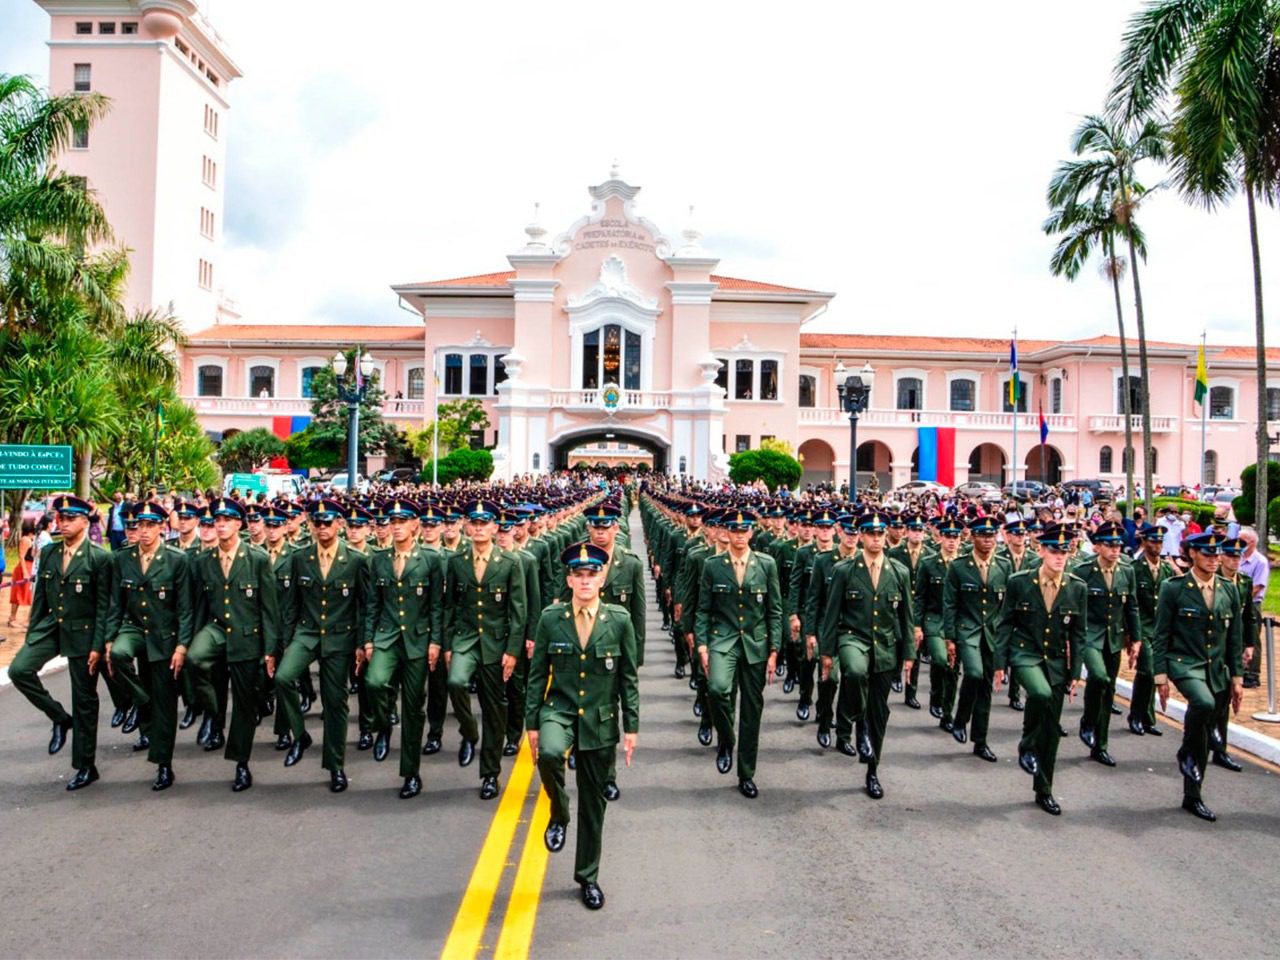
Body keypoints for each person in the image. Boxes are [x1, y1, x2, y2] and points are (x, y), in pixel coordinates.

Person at [528, 542, 639, 911]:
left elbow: (628, 678)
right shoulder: (551, 618)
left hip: (599, 717)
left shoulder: (619, 621)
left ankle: (588, 877)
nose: (586, 580)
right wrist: (532, 723)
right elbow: (536, 675)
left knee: (593, 804)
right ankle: (559, 811)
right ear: (570, 580)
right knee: (548, 754)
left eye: (592, 574)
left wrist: (631, 727)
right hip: (559, 709)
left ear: (602, 579)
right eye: (579, 574)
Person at [7, 496, 113, 790]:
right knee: (19, 670)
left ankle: (85, 765)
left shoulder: (99, 558)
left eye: (70, 518)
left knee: (84, 699)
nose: (63, 523)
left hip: (84, 631)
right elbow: (41, 596)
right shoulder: (50, 552)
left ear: (85, 522)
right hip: (52, 626)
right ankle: (59, 717)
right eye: (60, 518)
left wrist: (98, 645)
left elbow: (103, 607)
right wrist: (32, 635)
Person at [182, 498, 280, 792]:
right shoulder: (204, 561)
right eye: (217, 520)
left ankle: (241, 763)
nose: (221, 525)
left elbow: (269, 608)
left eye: (227, 520)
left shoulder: (257, 558)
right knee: (194, 660)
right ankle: (213, 713)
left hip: (247, 635)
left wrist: (270, 650)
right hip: (216, 630)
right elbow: (199, 605)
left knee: (243, 703)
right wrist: (190, 640)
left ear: (239, 524)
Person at [275, 498, 370, 792]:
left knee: (335, 702)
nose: (322, 527)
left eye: (327, 522)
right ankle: (300, 734)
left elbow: (364, 606)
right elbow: (291, 604)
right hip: (307, 632)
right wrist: (287, 641)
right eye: (317, 523)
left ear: (338, 524)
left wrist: (361, 643)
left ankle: (335, 765)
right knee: (283, 677)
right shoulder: (300, 557)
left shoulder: (356, 560)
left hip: (340, 636)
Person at [819, 511, 915, 800]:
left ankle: (872, 770)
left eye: (880, 533)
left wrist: (909, 654)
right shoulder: (845, 570)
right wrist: (827, 652)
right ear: (860, 536)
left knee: (879, 712)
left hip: (885, 645)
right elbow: (832, 613)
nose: (876, 538)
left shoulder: (899, 571)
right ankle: (858, 721)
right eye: (870, 533)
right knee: (854, 671)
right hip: (853, 637)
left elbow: (907, 617)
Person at [438, 499, 529, 801]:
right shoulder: (457, 561)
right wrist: (448, 645)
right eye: (474, 523)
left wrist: (513, 651)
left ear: (494, 527)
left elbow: (518, 611)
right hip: (465, 639)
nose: (478, 528)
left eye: (484, 523)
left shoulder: (509, 562)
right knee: (455, 682)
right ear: (467, 526)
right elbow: (449, 606)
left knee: (494, 709)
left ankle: (490, 773)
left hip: (496, 643)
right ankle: (469, 731)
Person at [994, 523, 1087, 815]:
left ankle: (1044, 789)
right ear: (1042, 550)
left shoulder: (1077, 587)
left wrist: (1075, 674)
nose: (1060, 557)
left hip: (1056, 661)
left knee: (1051, 729)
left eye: (1065, 552)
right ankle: (1027, 742)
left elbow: (1078, 635)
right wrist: (999, 664)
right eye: (1054, 551)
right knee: (1039, 692)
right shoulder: (1020, 582)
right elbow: (1005, 624)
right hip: (1025, 653)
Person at [1152, 531, 1244, 822]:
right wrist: (1160, 677)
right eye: (1207, 554)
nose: (1214, 560)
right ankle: (1185, 752)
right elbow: (1161, 634)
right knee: (1203, 704)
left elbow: (1235, 638)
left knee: (1203, 731)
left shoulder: (1229, 589)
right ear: (1192, 554)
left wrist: (1237, 678)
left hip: (1216, 667)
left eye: (1217, 555)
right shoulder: (1174, 588)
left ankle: (1192, 794)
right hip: (1185, 663)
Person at [102, 501, 193, 790]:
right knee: (118, 654)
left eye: (150, 525)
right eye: (139, 525)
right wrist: (109, 639)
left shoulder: (177, 560)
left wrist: (182, 646)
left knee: (165, 705)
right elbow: (115, 604)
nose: (143, 530)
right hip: (134, 628)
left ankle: (164, 765)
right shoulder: (123, 558)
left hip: (165, 635)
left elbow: (185, 609)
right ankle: (140, 700)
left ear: (161, 527)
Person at [695, 509, 782, 799]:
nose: (740, 535)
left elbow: (774, 611)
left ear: (751, 533)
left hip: (755, 643)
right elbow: (703, 609)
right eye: (734, 530)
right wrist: (703, 646)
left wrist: (774, 650)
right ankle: (725, 738)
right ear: (727, 533)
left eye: (744, 531)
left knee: (751, 710)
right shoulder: (713, 565)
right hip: (723, 640)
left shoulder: (766, 564)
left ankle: (746, 773)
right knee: (718, 690)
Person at [363, 498, 443, 799]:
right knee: (374, 683)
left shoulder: (430, 560)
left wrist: (435, 641)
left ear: (414, 525)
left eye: (402, 522)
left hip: (418, 641)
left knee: (412, 708)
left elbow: (436, 605)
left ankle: (411, 773)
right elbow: (372, 604)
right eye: (392, 522)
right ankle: (383, 724)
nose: (396, 527)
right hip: (386, 636)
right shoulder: (379, 559)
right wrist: (368, 640)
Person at [943, 516, 1010, 762]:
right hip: (967, 629)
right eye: (983, 535)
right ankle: (961, 718)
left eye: (992, 535)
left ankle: (980, 741)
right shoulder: (959, 566)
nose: (988, 540)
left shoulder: (1004, 566)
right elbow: (950, 603)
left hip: (993, 633)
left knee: (986, 689)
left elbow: (1007, 606)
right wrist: (950, 637)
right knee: (973, 673)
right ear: (972, 537)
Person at [1074, 521, 1141, 767]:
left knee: (1109, 688)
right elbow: (1073, 605)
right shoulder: (1083, 571)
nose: (1115, 550)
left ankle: (1100, 745)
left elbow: (1131, 606)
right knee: (1099, 677)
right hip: (1089, 634)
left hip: (1113, 636)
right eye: (1109, 545)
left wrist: (1136, 638)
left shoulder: (1127, 571)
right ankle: (1088, 720)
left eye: (1118, 546)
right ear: (1098, 547)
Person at [1129, 524, 1174, 737]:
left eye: (1160, 542)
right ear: (1144, 542)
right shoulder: (1134, 568)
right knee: (1146, 671)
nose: (1157, 545)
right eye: (1153, 541)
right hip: (1142, 627)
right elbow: (1132, 604)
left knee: (1154, 673)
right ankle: (1136, 716)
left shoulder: (1167, 569)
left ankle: (1148, 718)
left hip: (1160, 630)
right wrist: (1131, 633)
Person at [1236, 527, 1267, 688]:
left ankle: (1253, 674)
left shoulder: (1260, 561)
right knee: (1238, 636)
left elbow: (1258, 586)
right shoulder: (1238, 558)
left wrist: (1243, 600)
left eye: (1243, 541)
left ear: (1253, 542)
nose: (1239, 543)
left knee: (1252, 638)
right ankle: (1240, 670)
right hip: (1236, 602)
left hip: (1252, 604)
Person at [8, 519, 36, 627]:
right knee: (18, 593)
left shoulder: (31, 538)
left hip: (29, 567)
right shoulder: (25, 539)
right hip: (23, 568)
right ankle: (12, 619)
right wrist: (25, 572)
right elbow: (21, 556)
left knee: (25, 593)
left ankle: (23, 619)